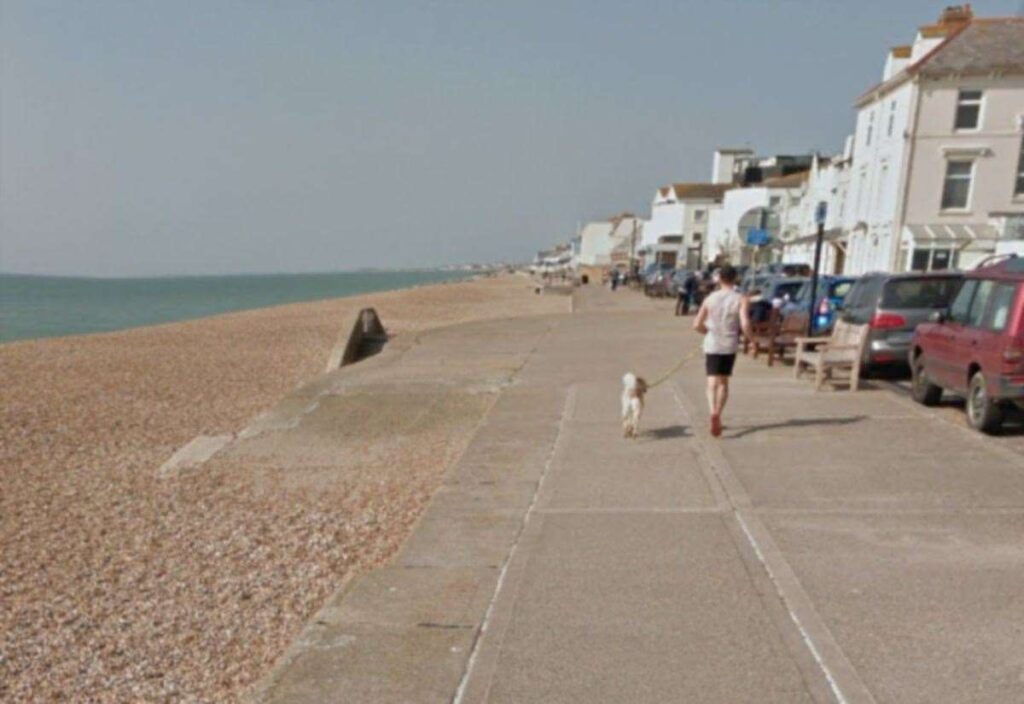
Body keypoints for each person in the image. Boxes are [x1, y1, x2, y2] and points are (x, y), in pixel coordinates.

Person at [693, 265, 753, 438]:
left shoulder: (710, 298)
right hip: (729, 343)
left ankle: (712, 411)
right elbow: (745, 323)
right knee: (723, 382)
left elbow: (696, 324)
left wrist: (707, 332)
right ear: (735, 279)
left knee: (711, 381)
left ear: (719, 279)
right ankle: (718, 414)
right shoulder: (740, 298)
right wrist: (752, 340)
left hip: (712, 342)